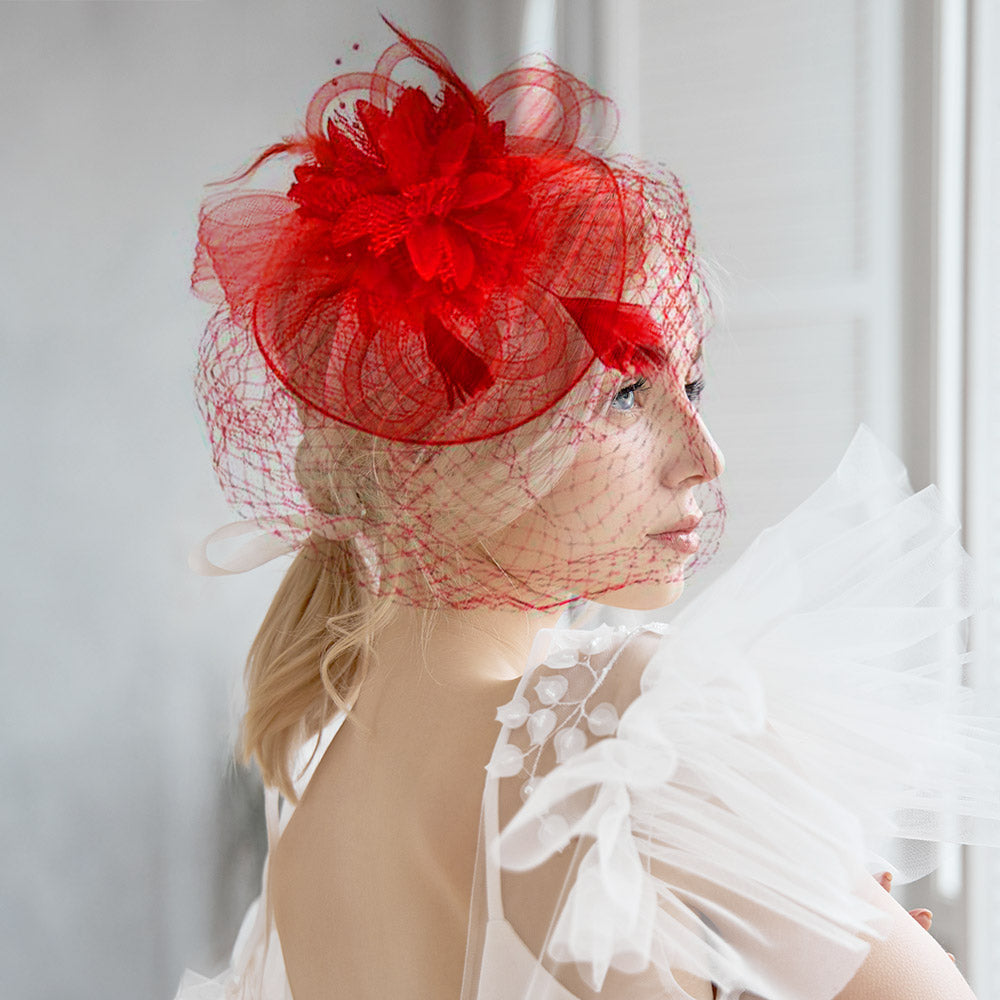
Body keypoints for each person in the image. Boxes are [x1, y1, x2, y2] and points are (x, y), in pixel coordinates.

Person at [175, 21, 1000, 1000]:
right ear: (464, 445)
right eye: (622, 396)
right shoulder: (625, 730)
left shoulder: (310, 836)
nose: (703, 457)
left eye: (691, 388)